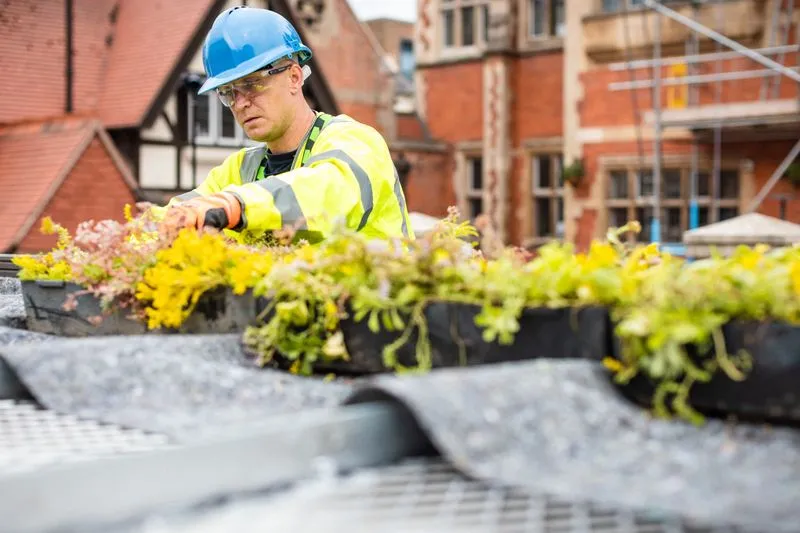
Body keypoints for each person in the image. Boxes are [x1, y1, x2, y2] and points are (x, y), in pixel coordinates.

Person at [161, 6, 413, 244]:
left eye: (251, 84)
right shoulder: (239, 171)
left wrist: (236, 205)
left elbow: (324, 194)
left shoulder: (356, 142)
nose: (239, 104)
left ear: (294, 77)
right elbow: (174, 216)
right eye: (228, 92)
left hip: (381, 290)